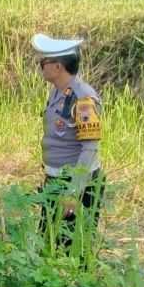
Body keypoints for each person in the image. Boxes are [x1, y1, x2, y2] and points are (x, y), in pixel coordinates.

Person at [32, 34, 104, 247]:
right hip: (56, 180)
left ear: (57, 67)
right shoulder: (58, 92)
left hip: (75, 183)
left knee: (74, 249)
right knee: (48, 242)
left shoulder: (83, 99)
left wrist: (73, 191)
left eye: (42, 63)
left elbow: (90, 148)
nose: (40, 68)